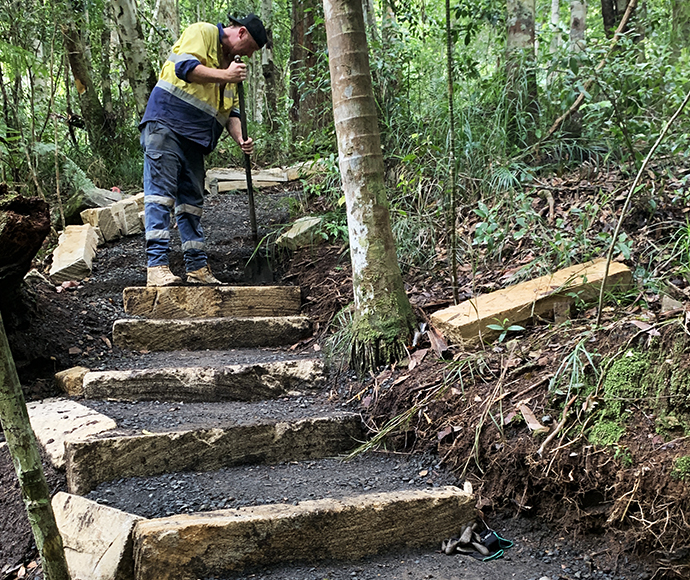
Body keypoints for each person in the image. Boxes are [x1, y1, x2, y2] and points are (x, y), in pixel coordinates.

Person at [139, 14, 267, 286]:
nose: (250, 56)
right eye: (252, 48)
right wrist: (225, 75)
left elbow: (229, 111)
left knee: (191, 203)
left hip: (195, 141)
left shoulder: (233, 69)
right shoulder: (203, 32)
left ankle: (197, 268)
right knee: (160, 197)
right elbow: (185, 67)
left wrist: (240, 137)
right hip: (166, 126)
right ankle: (157, 267)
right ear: (241, 33)